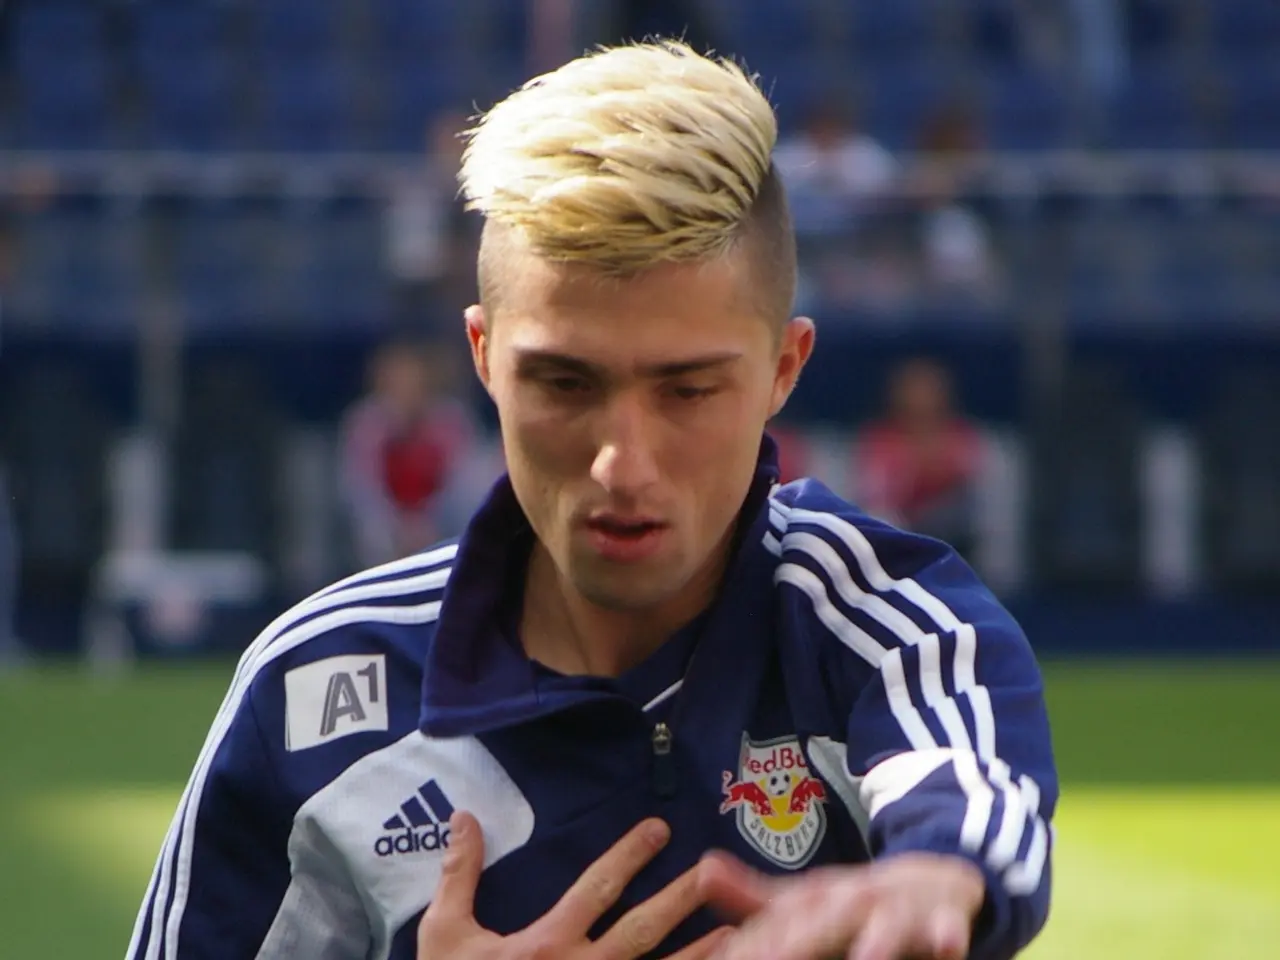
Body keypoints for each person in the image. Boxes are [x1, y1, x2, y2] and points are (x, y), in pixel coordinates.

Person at [127, 40, 1055, 960]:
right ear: (485, 358)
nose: (624, 465)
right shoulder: (313, 695)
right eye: (565, 386)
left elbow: (966, 791)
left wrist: (935, 875)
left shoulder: (880, 620)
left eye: (687, 391)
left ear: (784, 370)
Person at [337, 337, 478, 569]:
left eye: (413, 380)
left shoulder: (453, 422)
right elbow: (361, 490)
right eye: (398, 380)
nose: (407, 388)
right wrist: (395, 530)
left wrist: (428, 525)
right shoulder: (364, 425)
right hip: (381, 537)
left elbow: (463, 483)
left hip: (442, 529)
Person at [854, 358, 987, 562]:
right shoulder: (880, 440)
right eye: (913, 389)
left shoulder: (962, 436)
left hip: (958, 539)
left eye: (928, 389)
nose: (920, 397)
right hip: (900, 540)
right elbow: (875, 498)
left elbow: (971, 484)